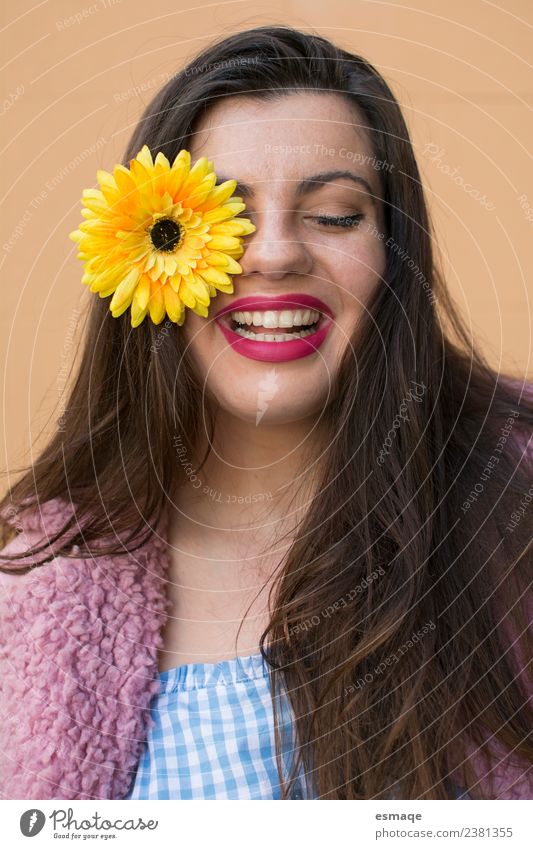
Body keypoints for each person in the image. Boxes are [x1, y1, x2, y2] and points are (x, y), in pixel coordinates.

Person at [0, 24, 532, 801]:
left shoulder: (512, 492)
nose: (274, 254)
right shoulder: (41, 580)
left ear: (394, 256)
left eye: (335, 214)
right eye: (228, 214)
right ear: (144, 252)